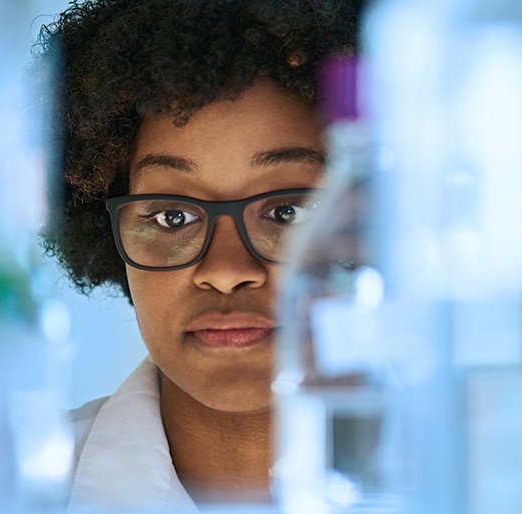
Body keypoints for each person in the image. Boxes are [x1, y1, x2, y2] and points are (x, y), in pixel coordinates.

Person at [38, 1, 362, 511]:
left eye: (289, 213)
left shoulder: (504, 482)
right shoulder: (6, 492)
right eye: (172, 217)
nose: (226, 271)